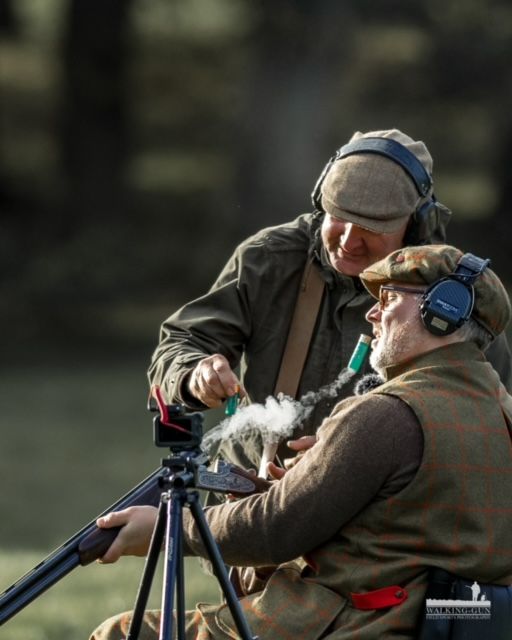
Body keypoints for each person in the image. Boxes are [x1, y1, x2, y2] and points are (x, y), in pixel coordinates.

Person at [90, 243, 512, 639]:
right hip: (441, 626)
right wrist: (302, 485)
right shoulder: (502, 410)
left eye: (388, 299)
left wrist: (167, 528)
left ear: (442, 312)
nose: (371, 314)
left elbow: (273, 530)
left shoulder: (385, 413)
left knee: (121, 633)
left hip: (355, 627)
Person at [148, 129, 512, 469]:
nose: (349, 241)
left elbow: (489, 429)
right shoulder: (270, 258)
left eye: (372, 228)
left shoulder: (454, 300)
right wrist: (194, 373)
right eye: (339, 218)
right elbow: (182, 342)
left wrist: (355, 455)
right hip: (246, 497)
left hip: (378, 521)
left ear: (414, 225)